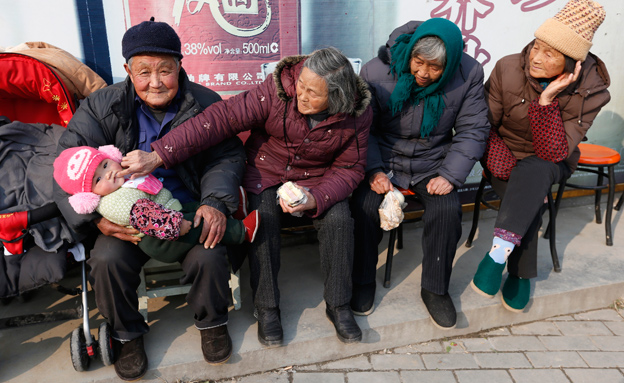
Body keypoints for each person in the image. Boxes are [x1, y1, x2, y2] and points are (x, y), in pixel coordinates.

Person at [119, 47, 373, 345]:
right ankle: (267, 308)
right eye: (301, 86)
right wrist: (159, 154)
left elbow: (350, 169)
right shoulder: (278, 90)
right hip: (266, 170)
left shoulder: (356, 114)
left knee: (340, 219)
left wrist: (316, 198)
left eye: (312, 94)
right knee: (261, 219)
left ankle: (339, 304)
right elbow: (219, 119)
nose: (301, 96)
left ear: (338, 97)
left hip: (317, 179)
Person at [53, 18, 246, 380]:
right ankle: (127, 334)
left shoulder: (205, 103)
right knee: (107, 259)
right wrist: (97, 222)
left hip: (185, 206)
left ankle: (212, 323)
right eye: (144, 72)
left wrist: (215, 202)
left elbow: (227, 156)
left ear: (180, 67)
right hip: (125, 219)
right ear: (128, 70)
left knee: (209, 248)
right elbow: (66, 168)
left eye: (165, 70)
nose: (155, 82)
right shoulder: (101, 106)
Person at [350, 18, 490, 329]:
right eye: (418, 62)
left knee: (446, 208)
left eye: (435, 67)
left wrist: (451, 176)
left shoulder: (468, 74)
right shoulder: (375, 71)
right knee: (365, 206)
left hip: (433, 160)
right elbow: (363, 130)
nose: (423, 73)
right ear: (410, 53)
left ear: (450, 63)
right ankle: (362, 281)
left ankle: (435, 289)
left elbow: (472, 129)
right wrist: (373, 170)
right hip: (385, 157)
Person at [471, 0, 610, 312]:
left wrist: (546, 100)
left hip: (552, 160)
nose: (535, 57)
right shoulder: (507, 67)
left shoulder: (593, 91)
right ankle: (520, 274)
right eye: (536, 46)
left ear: (573, 63)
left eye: (550, 54)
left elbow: (553, 152)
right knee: (529, 198)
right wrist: (498, 160)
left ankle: (497, 255)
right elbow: (482, 124)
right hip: (503, 154)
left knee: (535, 173)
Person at [52, 145, 259, 263]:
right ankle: (242, 231)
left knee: (196, 208)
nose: (108, 174)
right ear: (88, 196)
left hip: (169, 211)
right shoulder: (113, 202)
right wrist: (177, 225)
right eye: (98, 180)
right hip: (162, 238)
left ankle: (233, 211)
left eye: (105, 164)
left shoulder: (124, 181)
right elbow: (145, 216)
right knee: (198, 224)